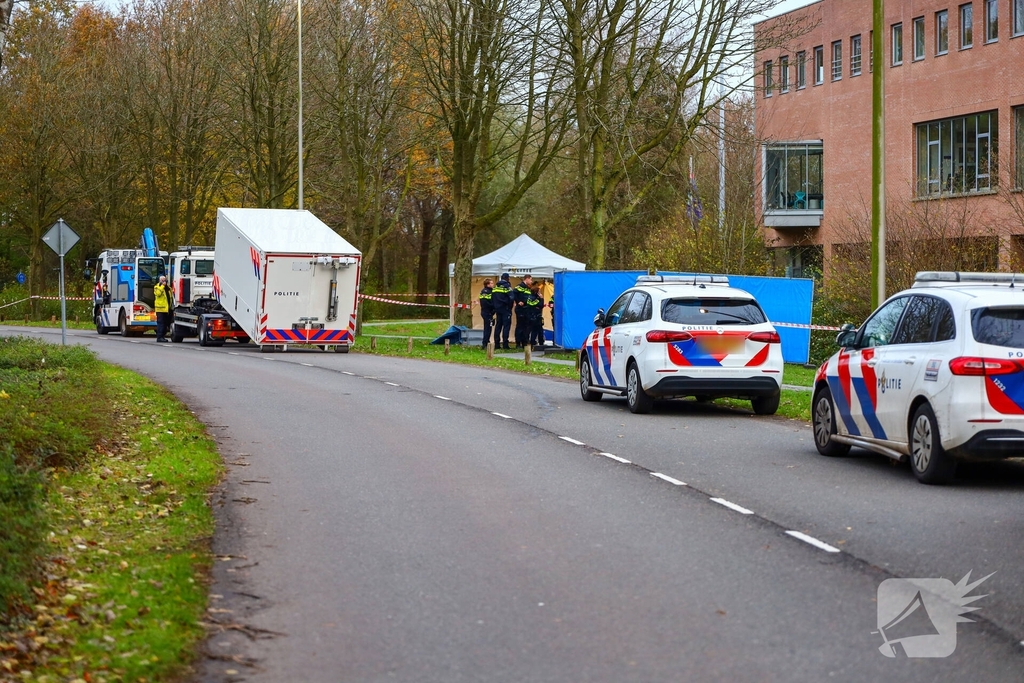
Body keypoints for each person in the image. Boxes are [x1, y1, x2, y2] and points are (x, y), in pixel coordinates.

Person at [491, 273, 514, 350]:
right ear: (507, 278)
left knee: (498, 326)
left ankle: (497, 343)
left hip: (498, 309)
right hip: (506, 309)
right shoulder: (507, 286)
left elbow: (492, 298)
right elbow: (511, 297)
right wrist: (509, 307)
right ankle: (505, 344)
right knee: (506, 327)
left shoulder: (495, 287)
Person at [513, 274, 533, 348]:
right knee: (520, 326)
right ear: (526, 279)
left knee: (525, 326)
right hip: (520, 309)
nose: (531, 281)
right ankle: (518, 342)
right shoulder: (520, 286)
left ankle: (524, 341)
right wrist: (518, 301)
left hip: (526, 309)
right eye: (530, 279)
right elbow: (513, 293)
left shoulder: (528, 288)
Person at [154, 274, 174, 342]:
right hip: (160, 309)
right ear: (159, 281)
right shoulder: (157, 287)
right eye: (162, 280)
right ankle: (159, 337)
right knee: (161, 323)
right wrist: (162, 285)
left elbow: (171, 297)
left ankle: (163, 336)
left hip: (167, 309)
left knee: (165, 323)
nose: (164, 282)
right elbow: (158, 293)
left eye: (165, 280)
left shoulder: (168, 288)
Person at [478, 278, 495, 349]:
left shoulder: (491, 291)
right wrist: (493, 307)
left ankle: (487, 341)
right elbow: (485, 303)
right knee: (487, 328)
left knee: (489, 327)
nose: (493, 284)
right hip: (486, 312)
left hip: (489, 312)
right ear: (488, 284)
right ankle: (484, 343)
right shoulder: (485, 292)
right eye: (491, 283)